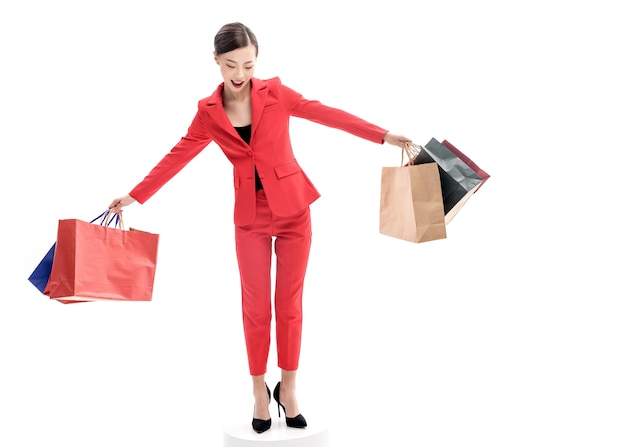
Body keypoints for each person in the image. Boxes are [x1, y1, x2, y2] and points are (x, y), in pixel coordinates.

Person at [108, 22, 412, 433]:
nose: (240, 73)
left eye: (249, 64)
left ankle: (288, 390)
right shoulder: (208, 112)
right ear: (215, 60)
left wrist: (382, 135)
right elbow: (178, 155)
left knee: (289, 305)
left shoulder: (277, 94)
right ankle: (257, 391)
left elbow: (326, 114)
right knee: (255, 308)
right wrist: (135, 194)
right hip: (249, 218)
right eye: (231, 64)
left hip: (293, 211)